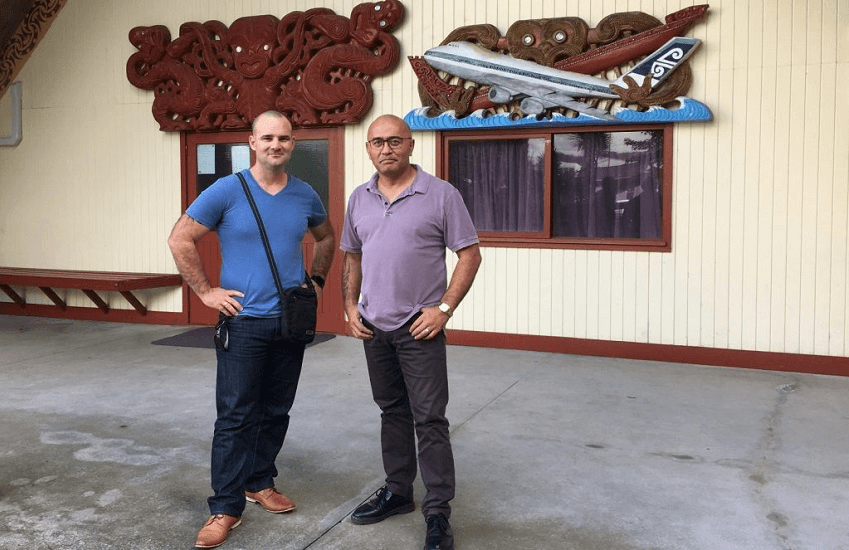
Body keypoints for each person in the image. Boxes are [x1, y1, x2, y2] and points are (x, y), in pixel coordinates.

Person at [168, 110, 335, 549]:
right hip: (243, 324)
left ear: (292, 144)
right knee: (236, 416)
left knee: (276, 409)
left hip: (290, 323)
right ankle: (225, 506)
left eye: (284, 138)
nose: (275, 145)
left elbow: (326, 237)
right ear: (252, 143)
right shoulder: (227, 190)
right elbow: (180, 238)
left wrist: (317, 281)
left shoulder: (304, 194)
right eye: (267, 138)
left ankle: (259, 482)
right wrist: (205, 291)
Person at [340, 114, 481, 550]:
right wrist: (349, 306)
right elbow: (352, 256)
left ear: (410, 145)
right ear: (368, 149)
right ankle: (398, 492)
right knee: (392, 411)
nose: (386, 149)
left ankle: (437, 512)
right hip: (374, 326)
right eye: (377, 142)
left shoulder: (441, 194)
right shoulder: (359, 198)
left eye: (394, 141)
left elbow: (470, 255)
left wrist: (443, 309)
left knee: (430, 419)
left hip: (419, 329)